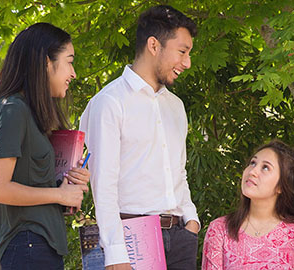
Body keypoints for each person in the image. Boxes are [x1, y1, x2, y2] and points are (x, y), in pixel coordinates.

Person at [79, 5, 200, 270]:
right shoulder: (109, 103)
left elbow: (179, 172)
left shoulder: (176, 106)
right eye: (182, 51)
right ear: (154, 45)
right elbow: (104, 185)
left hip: (181, 237)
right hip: (132, 239)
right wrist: (115, 253)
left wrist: (191, 220)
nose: (187, 63)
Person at [0, 22, 90, 269]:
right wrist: (59, 194)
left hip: (35, 247)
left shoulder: (27, 112)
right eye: (69, 61)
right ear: (45, 63)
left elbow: (27, 184)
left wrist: (66, 188)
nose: (73, 73)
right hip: (26, 248)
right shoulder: (12, 110)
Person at [202, 140, 294, 269]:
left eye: (265, 167)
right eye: (253, 163)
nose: (252, 171)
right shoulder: (220, 230)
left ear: (281, 185)